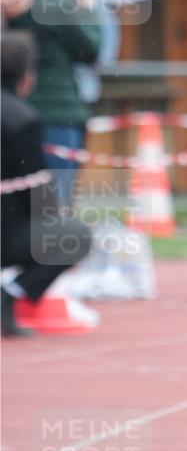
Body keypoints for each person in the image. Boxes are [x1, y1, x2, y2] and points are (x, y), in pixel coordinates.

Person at [1, 32, 92, 337]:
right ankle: (10, 295)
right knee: (75, 236)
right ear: (26, 76)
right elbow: (36, 191)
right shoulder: (21, 119)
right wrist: (56, 219)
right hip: (6, 229)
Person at [6, 0, 101, 206]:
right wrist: (85, 7)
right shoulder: (60, 4)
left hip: (11, 112)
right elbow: (91, 50)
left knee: (15, 197)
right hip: (59, 112)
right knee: (55, 204)